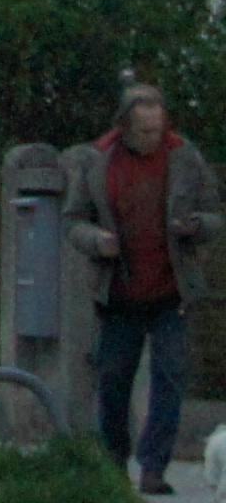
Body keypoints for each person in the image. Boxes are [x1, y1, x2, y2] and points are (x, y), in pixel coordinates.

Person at [65, 80, 215, 495]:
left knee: (171, 378)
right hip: (119, 293)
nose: (155, 138)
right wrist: (97, 241)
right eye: (146, 131)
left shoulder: (185, 156)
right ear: (126, 127)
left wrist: (197, 226)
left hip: (171, 292)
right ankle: (114, 464)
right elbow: (73, 220)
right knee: (114, 382)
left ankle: (153, 467)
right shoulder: (99, 161)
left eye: (159, 129)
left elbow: (214, 214)